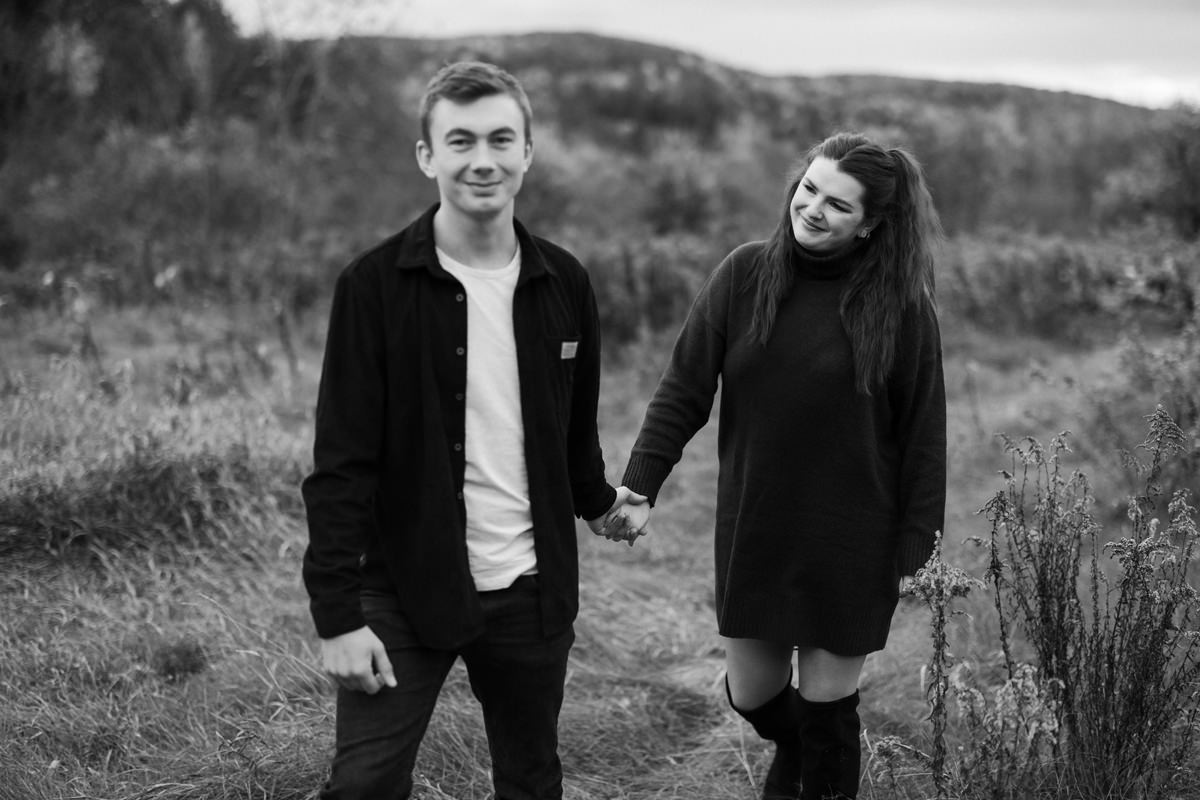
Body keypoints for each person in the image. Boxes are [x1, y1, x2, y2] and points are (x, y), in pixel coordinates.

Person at [300, 60, 640, 800]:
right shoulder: (374, 286)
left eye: (499, 140)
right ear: (427, 156)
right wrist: (337, 616)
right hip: (404, 584)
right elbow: (341, 465)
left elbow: (572, 431)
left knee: (529, 777)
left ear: (527, 150)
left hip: (531, 588)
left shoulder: (566, 282)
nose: (481, 160)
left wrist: (601, 503)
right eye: (459, 141)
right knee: (363, 784)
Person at [613, 131, 947, 799]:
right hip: (758, 527)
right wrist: (639, 485)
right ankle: (800, 761)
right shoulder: (743, 275)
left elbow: (923, 440)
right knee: (752, 694)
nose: (814, 209)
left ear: (872, 225)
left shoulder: (902, 308)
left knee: (828, 715)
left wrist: (918, 557)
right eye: (810, 189)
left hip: (852, 537)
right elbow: (684, 389)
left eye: (839, 205)